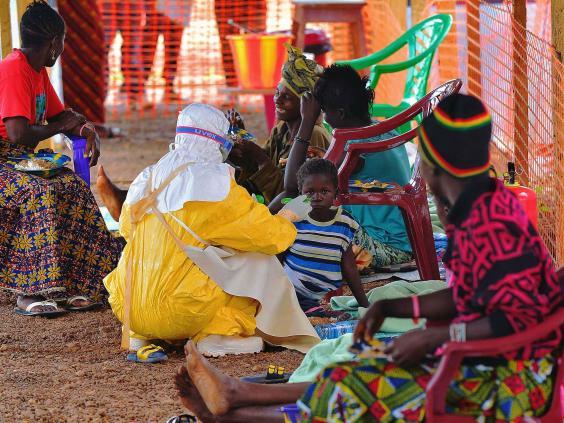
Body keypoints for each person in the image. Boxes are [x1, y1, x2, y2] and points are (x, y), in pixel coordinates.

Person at [172, 94, 563, 422]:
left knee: (357, 385)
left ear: (434, 163)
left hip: (510, 382)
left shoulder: (494, 226)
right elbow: (474, 298)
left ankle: (229, 413)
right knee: (357, 365)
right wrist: (395, 306)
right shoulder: (479, 209)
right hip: (489, 360)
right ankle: (235, 398)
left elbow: (513, 320)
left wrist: (437, 336)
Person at [103, 103, 319, 357]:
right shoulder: (215, 187)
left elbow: (129, 232)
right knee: (255, 260)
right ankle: (217, 333)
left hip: (130, 309)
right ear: (218, 144)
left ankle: (143, 335)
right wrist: (288, 216)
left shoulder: (146, 177)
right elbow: (271, 238)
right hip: (183, 308)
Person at [0, 1, 123, 315]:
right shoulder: (15, 69)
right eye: (64, 41)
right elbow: (16, 133)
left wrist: (85, 129)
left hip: (20, 160)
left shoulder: (37, 70)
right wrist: (59, 127)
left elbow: (61, 116)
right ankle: (31, 291)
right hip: (6, 159)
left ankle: (84, 284)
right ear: (54, 43)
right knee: (38, 192)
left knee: (71, 185)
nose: (64, 48)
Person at [275, 64, 413, 271]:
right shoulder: (379, 131)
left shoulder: (353, 145)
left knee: (295, 209)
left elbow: (293, 185)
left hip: (385, 246)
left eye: (323, 112)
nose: (324, 118)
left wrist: (307, 122)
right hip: (401, 237)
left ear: (340, 113)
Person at [229, 44, 330, 204]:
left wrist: (261, 158)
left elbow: (293, 196)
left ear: (306, 104)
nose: (278, 99)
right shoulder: (281, 130)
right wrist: (241, 149)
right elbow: (259, 172)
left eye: (287, 97)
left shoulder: (314, 136)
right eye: (277, 93)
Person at [282, 158, 369, 311]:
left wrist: (364, 304)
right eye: (309, 192)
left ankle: (314, 311)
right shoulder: (295, 219)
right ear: (300, 193)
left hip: (323, 294)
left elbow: (349, 266)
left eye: (324, 191)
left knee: (322, 307)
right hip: (291, 288)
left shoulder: (345, 222)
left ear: (335, 191)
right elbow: (278, 255)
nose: (317, 197)